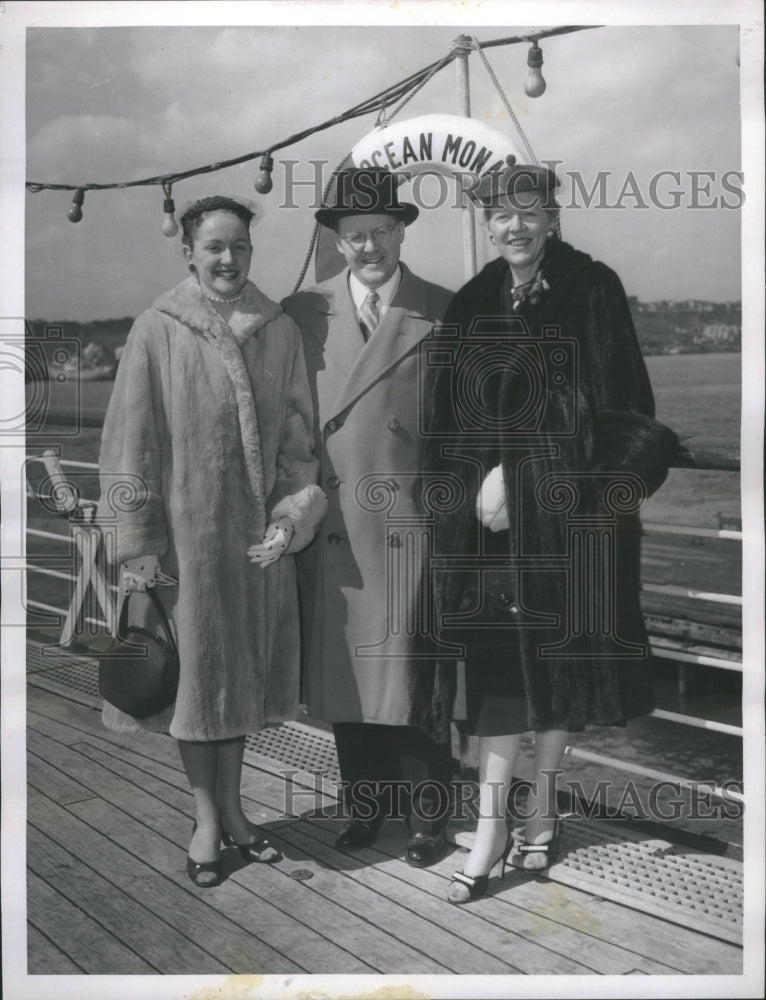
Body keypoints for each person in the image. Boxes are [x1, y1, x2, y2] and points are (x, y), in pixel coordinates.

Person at [416, 161, 678, 903]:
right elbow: (444, 428)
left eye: (530, 212)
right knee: (501, 675)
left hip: (569, 527)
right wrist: (472, 489)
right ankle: (495, 824)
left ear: (553, 216)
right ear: (485, 223)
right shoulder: (471, 304)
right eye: (501, 215)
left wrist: (526, 482)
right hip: (489, 535)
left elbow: (631, 421)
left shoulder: (593, 288)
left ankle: (543, 806)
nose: (516, 226)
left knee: (558, 672)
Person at [98, 195, 327, 888]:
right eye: (216, 247)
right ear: (190, 253)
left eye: (241, 248)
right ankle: (205, 816)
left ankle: (235, 810)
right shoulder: (156, 329)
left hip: (255, 545)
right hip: (181, 546)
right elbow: (128, 445)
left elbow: (298, 440)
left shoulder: (278, 331)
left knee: (237, 686)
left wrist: (290, 521)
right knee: (195, 688)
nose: (230, 260)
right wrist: (137, 545)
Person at [282, 168, 455, 867]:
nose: (369, 247)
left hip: (409, 525)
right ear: (337, 239)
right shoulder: (302, 314)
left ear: (401, 231)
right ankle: (364, 806)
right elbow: (284, 417)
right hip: (335, 527)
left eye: (381, 232)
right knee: (348, 678)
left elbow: (463, 428)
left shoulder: (442, 309)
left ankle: (428, 817)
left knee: (414, 679)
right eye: (355, 236)